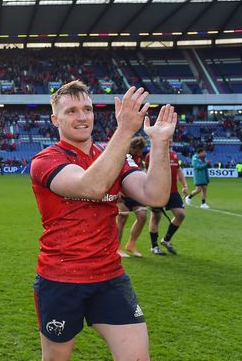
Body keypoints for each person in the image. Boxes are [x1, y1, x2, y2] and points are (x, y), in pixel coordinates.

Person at [30, 80, 176, 360]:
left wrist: (159, 142)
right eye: (71, 111)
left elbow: (155, 195)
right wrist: (124, 131)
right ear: (55, 119)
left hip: (110, 278)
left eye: (87, 109)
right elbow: (91, 186)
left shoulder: (114, 157)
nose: (82, 117)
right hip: (60, 280)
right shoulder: (45, 160)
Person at [146, 144, 188, 255]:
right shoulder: (151, 155)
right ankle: (154, 246)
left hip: (173, 191)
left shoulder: (174, 154)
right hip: (157, 191)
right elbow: (147, 173)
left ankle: (166, 239)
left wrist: (185, 185)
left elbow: (178, 170)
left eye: (171, 137)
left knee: (180, 214)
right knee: (156, 217)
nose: (170, 139)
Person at [115, 136, 148, 258]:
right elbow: (113, 172)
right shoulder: (120, 155)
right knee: (122, 218)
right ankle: (117, 247)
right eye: (138, 150)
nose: (140, 153)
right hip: (121, 191)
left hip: (134, 191)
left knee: (143, 216)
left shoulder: (138, 157)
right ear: (132, 147)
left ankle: (131, 244)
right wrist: (116, 190)